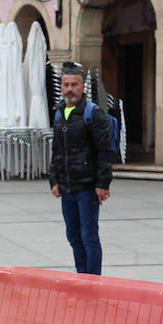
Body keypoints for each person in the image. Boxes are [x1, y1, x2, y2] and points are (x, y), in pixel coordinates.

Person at [49, 63, 113, 275]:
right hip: (67, 187)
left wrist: (102, 184)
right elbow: (56, 149)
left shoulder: (93, 114)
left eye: (74, 84)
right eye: (66, 84)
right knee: (74, 237)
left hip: (87, 188)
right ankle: (81, 278)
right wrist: (54, 180)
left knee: (89, 237)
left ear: (82, 87)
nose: (70, 89)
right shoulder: (59, 114)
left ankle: (93, 282)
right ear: (61, 87)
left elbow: (105, 150)